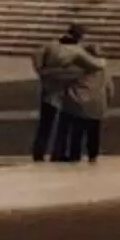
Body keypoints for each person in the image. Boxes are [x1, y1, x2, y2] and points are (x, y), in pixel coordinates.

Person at [52, 31, 114, 164]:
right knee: (94, 132)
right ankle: (93, 156)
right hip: (98, 103)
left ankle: (75, 156)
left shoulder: (79, 67)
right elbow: (109, 87)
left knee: (77, 132)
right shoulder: (104, 69)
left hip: (79, 102)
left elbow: (66, 80)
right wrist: (107, 101)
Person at [30, 24, 87, 162]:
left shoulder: (51, 46)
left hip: (50, 88)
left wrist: (41, 71)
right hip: (67, 90)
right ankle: (58, 152)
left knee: (46, 122)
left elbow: (36, 55)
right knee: (64, 123)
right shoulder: (78, 51)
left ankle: (39, 151)